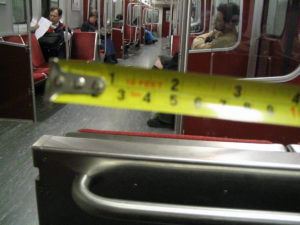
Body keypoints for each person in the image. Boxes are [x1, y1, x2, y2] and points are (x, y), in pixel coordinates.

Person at [147, 2, 240, 128]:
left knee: (170, 69)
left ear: (229, 23)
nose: (214, 22)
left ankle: (166, 118)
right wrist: (210, 34)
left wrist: (208, 35)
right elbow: (199, 42)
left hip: (202, 69)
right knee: (162, 60)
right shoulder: (221, 32)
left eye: (218, 20)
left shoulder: (226, 39)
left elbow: (196, 45)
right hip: (201, 64)